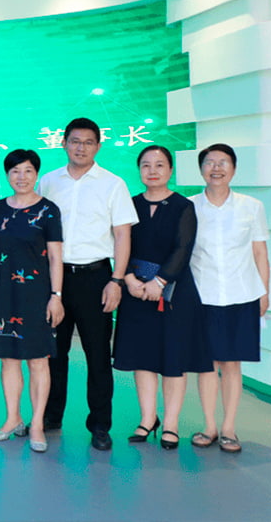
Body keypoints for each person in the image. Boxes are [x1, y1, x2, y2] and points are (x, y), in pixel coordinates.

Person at [37, 117, 137, 450]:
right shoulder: (48, 182)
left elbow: (122, 235)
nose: (81, 147)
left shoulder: (113, 184)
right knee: (54, 353)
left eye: (88, 142)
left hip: (97, 278)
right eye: (75, 141)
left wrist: (116, 280)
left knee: (97, 355)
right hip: (56, 278)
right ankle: (51, 416)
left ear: (98, 146)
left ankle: (100, 425)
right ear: (63, 143)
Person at [112, 145, 210, 451]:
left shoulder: (183, 206)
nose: (152, 171)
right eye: (146, 165)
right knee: (142, 358)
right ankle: (147, 419)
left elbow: (183, 247)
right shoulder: (130, 204)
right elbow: (119, 243)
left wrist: (160, 281)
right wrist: (128, 278)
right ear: (139, 170)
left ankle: (171, 424)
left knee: (172, 358)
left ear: (170, 170)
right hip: (134, 291)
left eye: (159, 165)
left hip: (174, 293)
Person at [189, 143, 269, 453]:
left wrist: (264, 293)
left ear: (234, 169)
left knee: (232, 363)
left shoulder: (252, 206)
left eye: (223, 162)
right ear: (201, 169)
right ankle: (209, 426)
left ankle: (229, 428)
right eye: (210, 162)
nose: (216, 168)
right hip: (203, 296)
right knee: (207, 363)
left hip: (241, 294)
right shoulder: (190, 206)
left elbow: (260, 252)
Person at [0, 149, 63, 453]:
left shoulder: (48, 210)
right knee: (8, 359)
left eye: (28, 171)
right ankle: (12, 419)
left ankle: (37, 424)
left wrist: (56, 296)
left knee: (38, 360)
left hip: (38, 295)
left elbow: (55, 257)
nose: (21, 177)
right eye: (15, 171)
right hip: (5, 293)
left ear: (37, 174)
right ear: (7, 175)